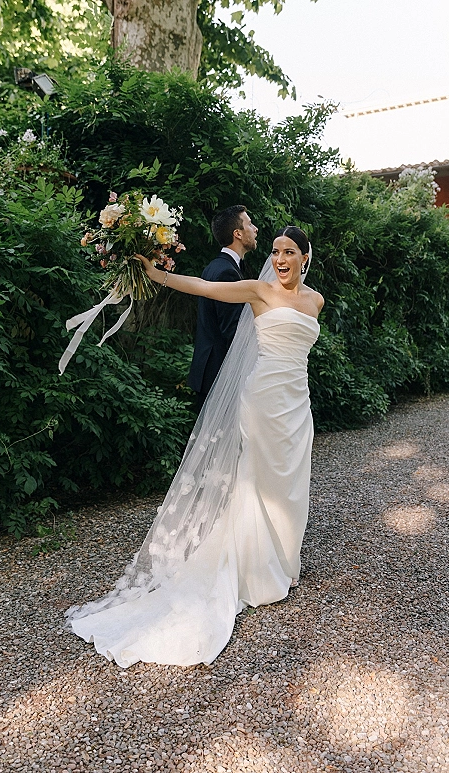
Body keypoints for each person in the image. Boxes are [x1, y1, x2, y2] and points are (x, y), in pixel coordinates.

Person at [66, 226, 324, 667]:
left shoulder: (315, 301)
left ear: (305, 257)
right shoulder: (257, 290)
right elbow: (205, 286)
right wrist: (157, 275)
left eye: (290, 252)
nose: (280, 259)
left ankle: (281, 562)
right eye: (276, 251)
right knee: (257, 480)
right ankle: (255, 571)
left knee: (290, 483)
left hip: (297, 405)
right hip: (262, 400)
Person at [187, 205, 258, 409]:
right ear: (237, 233)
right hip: (219, 374)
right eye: (250, 224)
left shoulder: (216, 266)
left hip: (209, 370)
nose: (255, 229)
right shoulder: (226, 272)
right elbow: (232, 331)